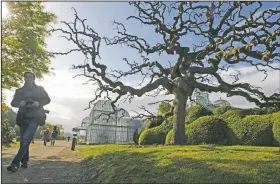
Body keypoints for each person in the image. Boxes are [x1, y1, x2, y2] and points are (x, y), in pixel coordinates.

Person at [7, 71, 50, 172]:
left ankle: (15, 164)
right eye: (26, 76)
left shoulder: (40, 89)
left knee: (26, 140)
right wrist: (20, 103)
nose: (28, 78)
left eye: (30, 77)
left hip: (35, 118)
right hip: (22, 118)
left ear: (34, 78)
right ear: (24, 78)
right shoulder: (19, 91)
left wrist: (38, 103)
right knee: (23, 141)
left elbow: (47, 99)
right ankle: (25, 161)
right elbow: (13, 103)